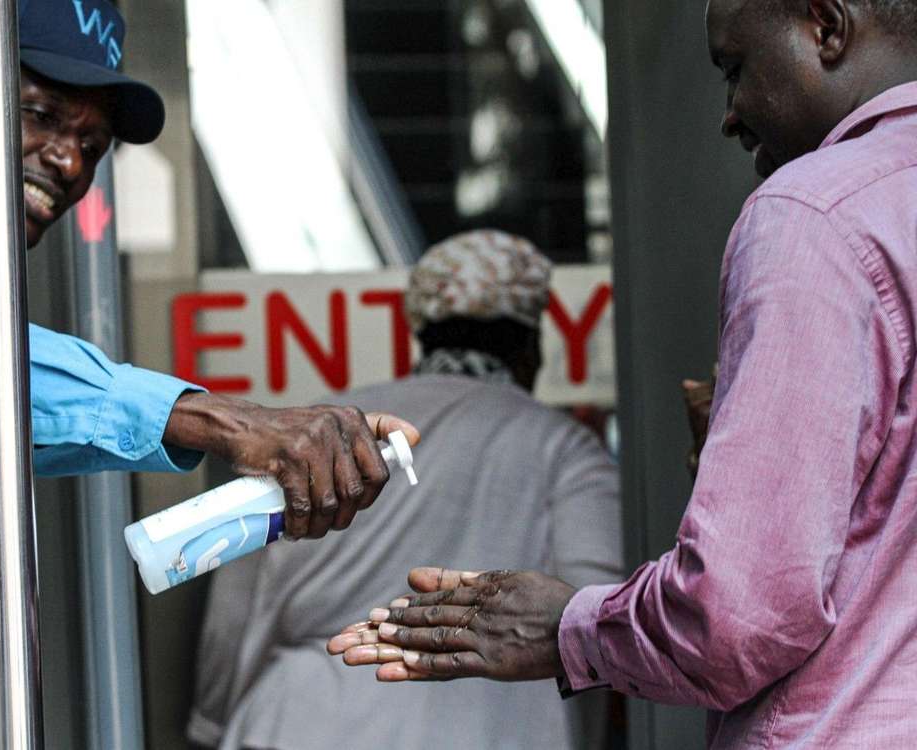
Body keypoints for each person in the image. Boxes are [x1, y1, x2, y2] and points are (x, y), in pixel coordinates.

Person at [330, 1, 917, 746]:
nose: (729, 116)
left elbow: (737, 615)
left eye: (735, 69)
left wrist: (565, 627)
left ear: (827, 27)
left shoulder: (812, 213)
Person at [0, 0, 417, 739]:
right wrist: (223, 421)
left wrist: (239, 433)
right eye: (40, 115)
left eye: (91, 142)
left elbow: (8, 412)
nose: (70, 162)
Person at [189, 231, 624, 750]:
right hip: (490, 728)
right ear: (532, 346)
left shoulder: (323, 427)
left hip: (299, 723)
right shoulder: (564, 448)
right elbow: (592, 614)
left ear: (423, 333)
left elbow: (234, 603)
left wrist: (210, 725)